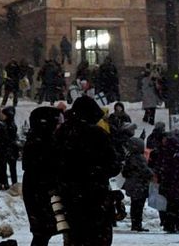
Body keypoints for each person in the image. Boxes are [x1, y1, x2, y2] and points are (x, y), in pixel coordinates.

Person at [54, 95, 121, 246]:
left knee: (74, 237)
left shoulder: (62, 133)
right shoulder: (98, 134)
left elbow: (54, 163)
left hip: (69, 196)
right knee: (97, 238)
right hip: (95, 197)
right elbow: (113, 166)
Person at [22, 106, 64, 246]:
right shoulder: (44, 141)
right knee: (44, 231)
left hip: (39, 190)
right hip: (43, 192)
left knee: (43, 232)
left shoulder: (37, 139)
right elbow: (48, 167)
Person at [149, 132, 179, 233]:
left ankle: (170, 225)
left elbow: (158, 169)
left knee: (170, 207)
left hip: (167, 186)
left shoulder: (162, 156)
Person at [121, 137, 152, 232]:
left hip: (132, 184)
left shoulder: (129, 157)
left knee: (135, 205)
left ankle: (135, 224)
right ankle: (137, 224)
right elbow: (145, 170)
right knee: (138, 206)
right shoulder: (139, 158)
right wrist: (152, 174)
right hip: (139, 185)